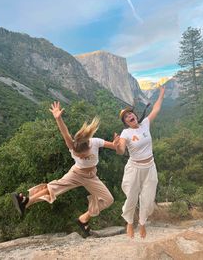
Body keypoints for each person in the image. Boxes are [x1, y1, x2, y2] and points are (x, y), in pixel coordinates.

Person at [11, 101, 115, 237]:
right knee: (54, 187)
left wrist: (117, 144)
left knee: (108, 199)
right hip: (76, 173)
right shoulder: (72, 145)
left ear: (89, 147)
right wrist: (58, 118)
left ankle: (83, 219)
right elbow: (65, 132)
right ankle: (25, 201)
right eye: (78, 155)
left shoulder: (95, 142)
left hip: (91, 177)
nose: (81, 157)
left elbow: (115, 146)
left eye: (83, 155)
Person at [114, 87, 165, 238]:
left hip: (150, 167)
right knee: (131, 196)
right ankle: (129, 222)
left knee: (148, 198)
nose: (130, 116)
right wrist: (117, 145)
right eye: (126, 117)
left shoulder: (145, 124)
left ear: (135, 116)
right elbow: (122, 150)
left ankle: (142, 223)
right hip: (134, 168)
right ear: (126, 123)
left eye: (131, 113)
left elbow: (156, 109)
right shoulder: (126, 133)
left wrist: (162, 93)